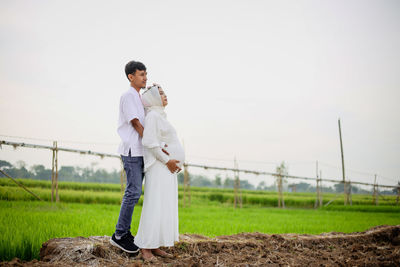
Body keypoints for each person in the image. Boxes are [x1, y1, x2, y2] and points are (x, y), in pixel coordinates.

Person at [134, 85, 184, 261]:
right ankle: (145, 247)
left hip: (166, 169)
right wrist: (167, 161)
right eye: (161, 93)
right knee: (154, 205)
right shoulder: (153, 116)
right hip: (158, 167)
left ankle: (154, 245)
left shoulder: (160, 116)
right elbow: (150, 142)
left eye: (164, 92)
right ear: (153, 98)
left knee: (163, 205)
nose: (165, 96)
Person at [109, 60, 147, 253]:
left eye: (146, 74)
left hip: (141, 151)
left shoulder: (139, 97)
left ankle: (126, 232)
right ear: (131, 77)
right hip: (132, 150)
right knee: (132, 192)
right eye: (141, 74)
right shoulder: (128, 96)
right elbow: (136, 124)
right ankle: (119, 235)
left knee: (135, 192)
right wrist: (151, 142)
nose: (145, 77)